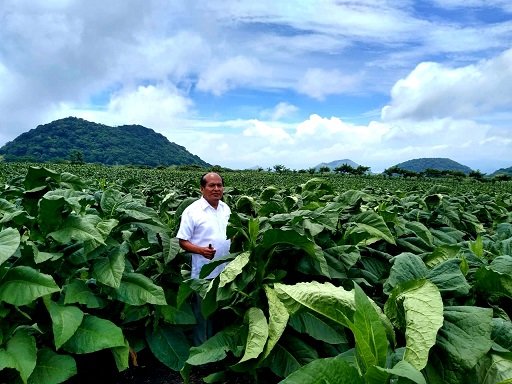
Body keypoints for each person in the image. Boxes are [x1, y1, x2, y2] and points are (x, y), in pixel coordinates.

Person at [176, 172, 231, 279]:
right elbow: (182, 241)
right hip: (204, 272)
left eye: (219, 185)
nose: (216, 189)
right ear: (202, 189)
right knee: (203, 296)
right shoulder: (192, 211)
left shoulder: (226, 208)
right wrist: (201, 250)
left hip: (226, 270)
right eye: (211, 185)